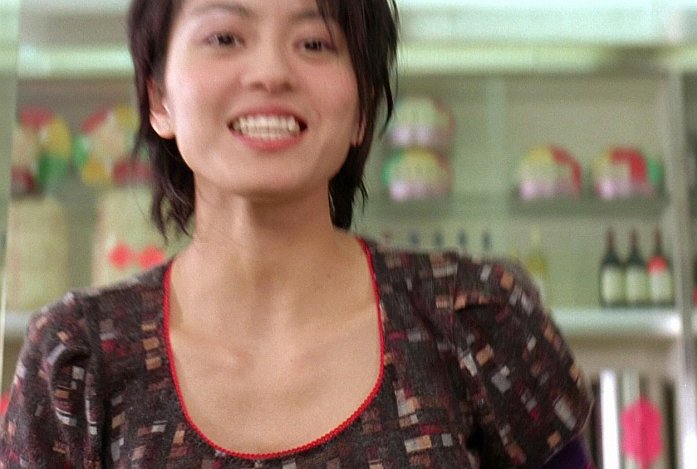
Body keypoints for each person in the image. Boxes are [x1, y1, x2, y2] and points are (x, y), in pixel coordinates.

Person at [0, 0, 594, 467]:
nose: (271, 74)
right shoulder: (76, 362)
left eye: (315, 43)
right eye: (225, 38)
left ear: (363, 108)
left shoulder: (476, 318)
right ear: (159, 98)